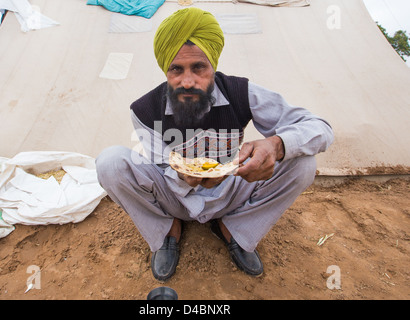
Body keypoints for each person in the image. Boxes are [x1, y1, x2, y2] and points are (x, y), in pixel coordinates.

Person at [96, 7, 334, 281]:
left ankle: (235, 229)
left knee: (303, 162)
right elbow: (161, 165)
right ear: (166, 70)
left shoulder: (240, 92)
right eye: (176, 69)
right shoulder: (144, 110)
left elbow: (320, 128)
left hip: (232, 189)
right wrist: (186, 175)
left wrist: (277, 145)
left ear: (213, 65)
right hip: (176, 196)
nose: (188, 81)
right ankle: (166, 231)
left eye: (198, 67)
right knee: (110, 162)